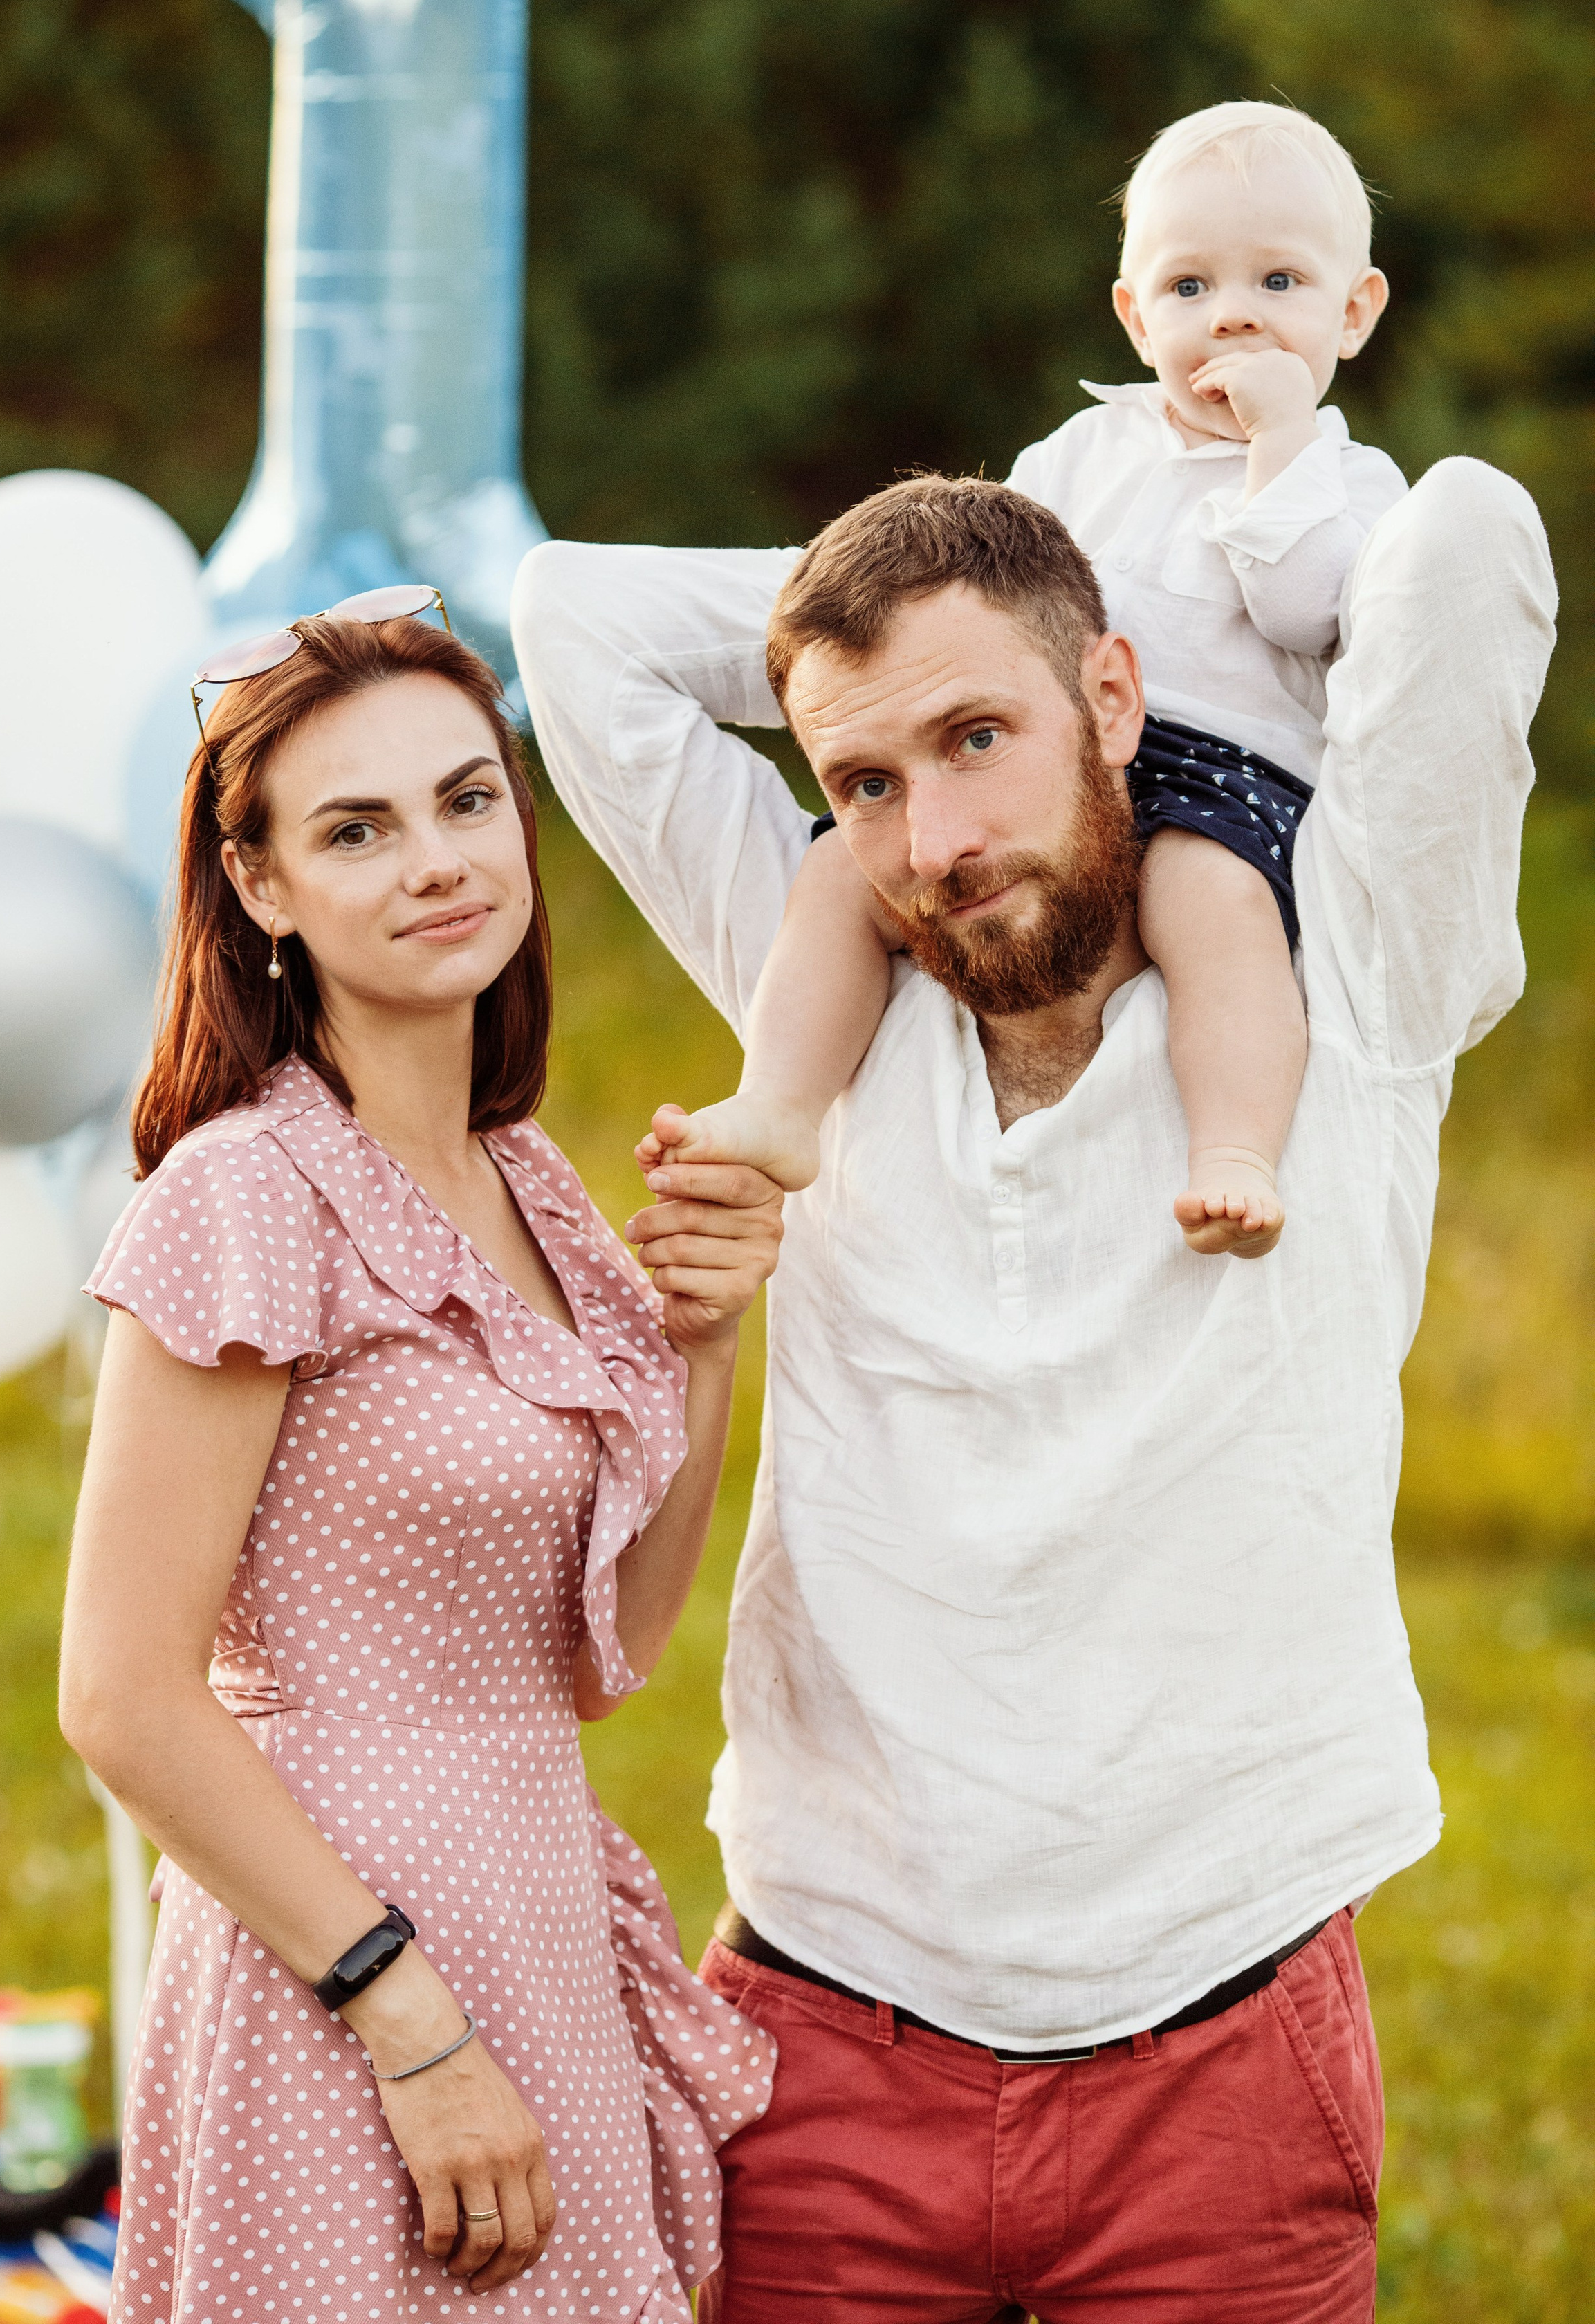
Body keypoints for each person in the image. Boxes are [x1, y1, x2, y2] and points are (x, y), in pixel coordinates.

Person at [510, 458, 1553, 2321]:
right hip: (823, 2026)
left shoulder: (1353, 978)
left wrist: (1114, 561)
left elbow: (1471, 537)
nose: (934, 840)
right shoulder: (815, 1008)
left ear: (1120, 694)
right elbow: (570, 617)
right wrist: (932, 637)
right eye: (867, 783)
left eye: (981, 736)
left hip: (1219, 2046)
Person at [58, 598, 782, 2321]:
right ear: (260, 888)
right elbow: (124, 1699)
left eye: (467, 801)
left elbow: (608, 1645)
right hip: (339, 1973)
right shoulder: (243, 1196)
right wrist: (407, 2020)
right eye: (354, 828)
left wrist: (702, 1338)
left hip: (531, 1908)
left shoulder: (529, 1186)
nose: (437, 861)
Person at [643, 103, 1408, 1258]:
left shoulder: (1352, 483)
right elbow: (1004, 592)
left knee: (1215, 912)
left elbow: (1309, 605)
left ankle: (1236, 1149)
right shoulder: (1080, 452)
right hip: (1064, 744)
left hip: (1232, 784)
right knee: (842, 882)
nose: (1234, 315)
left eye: (1282, 284)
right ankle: (785, 1103)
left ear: (1354, 313)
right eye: (1189, 288)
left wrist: (1282, 445)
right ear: (1132, 312)